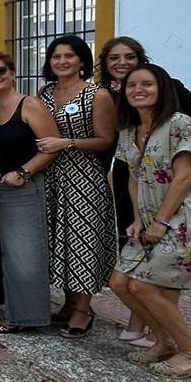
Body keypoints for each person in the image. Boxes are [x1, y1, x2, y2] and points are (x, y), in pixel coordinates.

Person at [99, 36, 191, 347]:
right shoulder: (129, 124)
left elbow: (185, 174)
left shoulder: (178, 122)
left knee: (152, 281)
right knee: (123, 279)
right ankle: (156, 335)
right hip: (144, 202)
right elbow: (132, 173)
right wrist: (140, 217)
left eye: (129, 57)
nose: (122, 64)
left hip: (180, 211)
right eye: (115, 58)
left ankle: (183, 348)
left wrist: (185, 168)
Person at [38, 34, 118, 339]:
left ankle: (84, 309)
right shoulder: (45, 94)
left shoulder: (96, 95)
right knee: (59, 238)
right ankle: (70, 301)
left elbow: (105, 139)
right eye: (56, 56)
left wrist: (67, 142)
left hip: (83, 177)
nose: (62, 62)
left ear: (82, 60)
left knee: (83, 240)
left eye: (68, 56)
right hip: (51, 175)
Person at [0, 53, 60, 334]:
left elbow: (51, 146)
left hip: (22, 188)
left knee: (24, 254)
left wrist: (24, 172)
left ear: (13, 73)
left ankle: (25, 317)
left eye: (0, 71)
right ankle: (10, 308)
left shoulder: (30, 105)